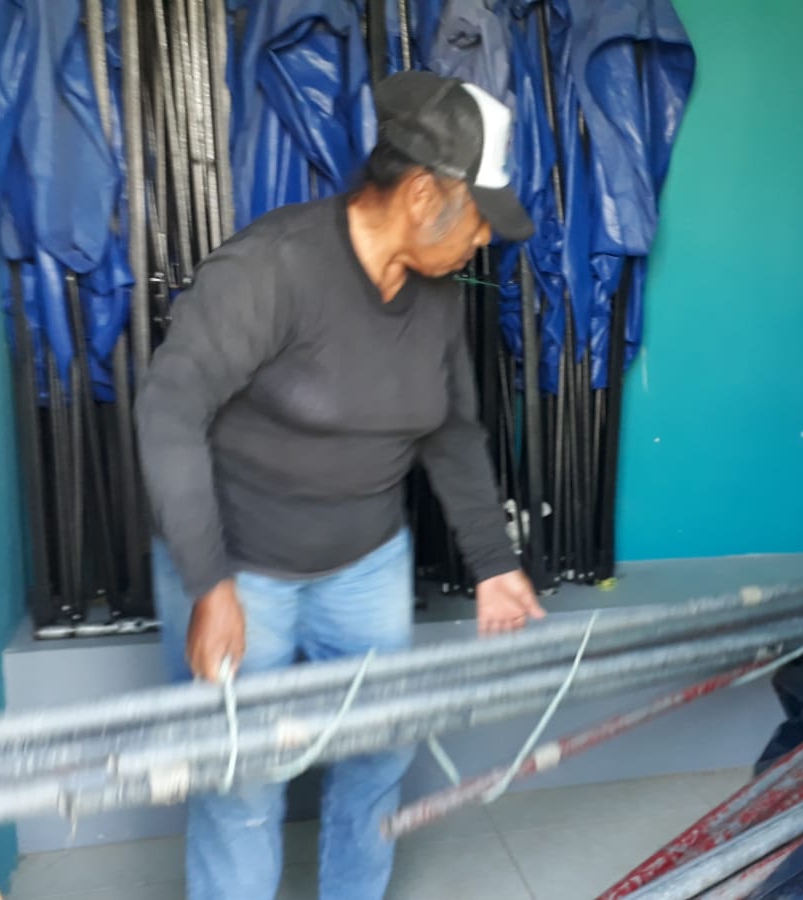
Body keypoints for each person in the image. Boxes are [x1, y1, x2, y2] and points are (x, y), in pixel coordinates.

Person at [135, 71, 546, 900]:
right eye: (478, 220)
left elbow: (451, 432)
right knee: (242, 783)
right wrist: (209, 583)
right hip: (242, 566)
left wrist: (494, 563)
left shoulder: (437, 297)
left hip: (366, 564)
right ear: (423, 193)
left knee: (377, 755)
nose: (483, 242)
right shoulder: (273, 267)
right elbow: (169, 411)